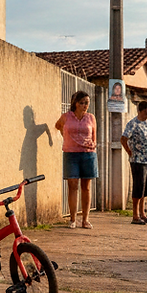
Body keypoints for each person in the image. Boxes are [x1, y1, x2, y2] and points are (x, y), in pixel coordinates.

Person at [55, 91, 97, 229]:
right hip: (71, 154)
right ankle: (72, 218)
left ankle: (85, 219)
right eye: (82, 102)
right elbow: (58, 126)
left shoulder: (91, 118)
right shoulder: (66, 117)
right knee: (72, 185)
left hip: (88, 154)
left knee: (86, 187)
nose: (85, 105)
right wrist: (66, 137)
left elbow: (94, 135)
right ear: (75, 103)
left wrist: (93, 145)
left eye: (87, 103)